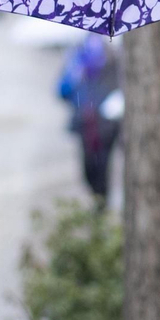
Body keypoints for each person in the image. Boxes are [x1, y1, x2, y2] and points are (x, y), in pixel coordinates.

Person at [56, 36, 120, 200]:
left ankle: (101, 203)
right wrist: (73, 77)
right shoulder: (76, 61)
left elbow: (120, 90)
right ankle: (97, 198)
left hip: (107, 126)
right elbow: (62, 92)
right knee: (88, 169)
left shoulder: (113, 60)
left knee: (103, 167)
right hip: (85, 125)